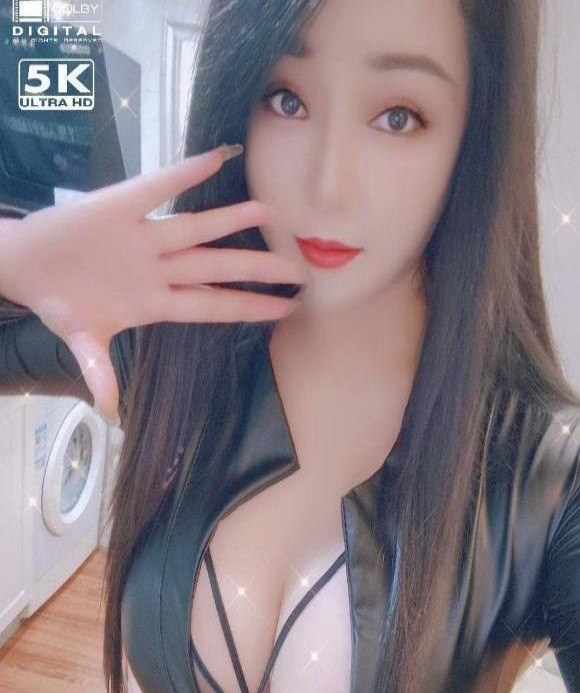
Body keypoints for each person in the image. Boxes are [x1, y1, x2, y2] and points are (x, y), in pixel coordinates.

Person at [1, 0, 579, 692]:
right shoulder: (173, 350)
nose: (327, 186)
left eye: (398, 115)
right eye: (287, 99)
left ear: (473, 136)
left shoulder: (548, 479)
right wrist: (14, 255)